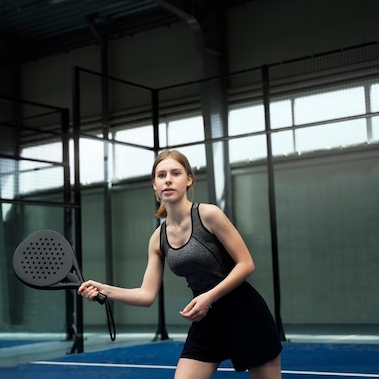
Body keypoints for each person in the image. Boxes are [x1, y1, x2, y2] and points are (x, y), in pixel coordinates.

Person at [78, 149, 282, 379]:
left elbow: (246, 264)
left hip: (245, 313)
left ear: (189, 179)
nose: (168, 179)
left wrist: (209, 297)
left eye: (175, 173)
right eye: (161, 175)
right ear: (154, 185)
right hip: (206, 320)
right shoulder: (158, 238)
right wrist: (104, 289)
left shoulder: (209, 214)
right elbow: (146, 295)